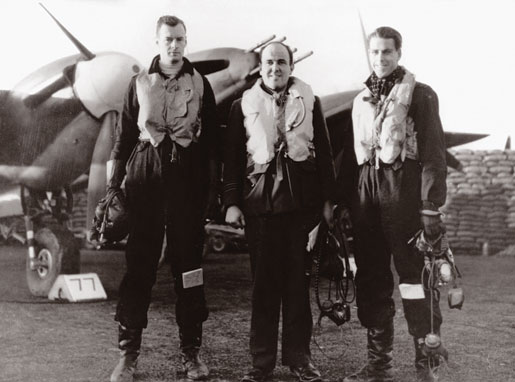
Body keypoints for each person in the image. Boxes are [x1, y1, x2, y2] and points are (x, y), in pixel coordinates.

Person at [104, 15, 220, 382]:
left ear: (186, 42)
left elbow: (212, 145)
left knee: (189, 270)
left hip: (187, 187)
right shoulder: (137, 84)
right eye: (168, 39)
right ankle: (128, 355)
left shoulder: (201, 85)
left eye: (180, 39)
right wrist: (112, 189)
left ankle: (191, 354)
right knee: (140, 268)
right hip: (144, 185)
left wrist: (212, 193)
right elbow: (122, 141)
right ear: (157, 42)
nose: (174, 46)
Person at [223, 42, 336, 382]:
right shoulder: (241, 105)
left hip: (301, 208)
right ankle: (261, 364)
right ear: (260, 66)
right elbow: (231, 160)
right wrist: (231, 202)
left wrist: (329, 201)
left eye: (282, 62)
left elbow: (325, 153)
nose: (276, 68)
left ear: (291, 67)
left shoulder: (310, 101)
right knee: (263, 288)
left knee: (298, 288)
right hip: (261, 210)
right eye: (269, 62)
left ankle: (300, 360)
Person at [339, 27, 448, 382]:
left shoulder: (420, 95)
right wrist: (343, 203)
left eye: (387, 52)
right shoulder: (360, 100)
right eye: (375, 52)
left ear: (399, 53)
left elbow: (433, 152)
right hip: (366, 198)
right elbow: (350, 160)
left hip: (404, 195)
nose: (381, 58)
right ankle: (378, 365)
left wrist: (430, 204)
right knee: (371, 278)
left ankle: (425, 362)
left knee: (414, 280)